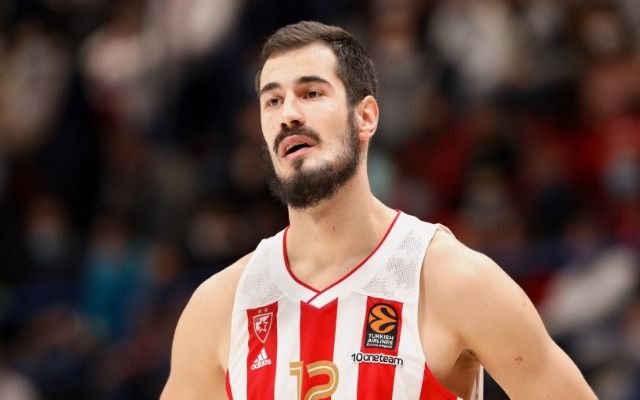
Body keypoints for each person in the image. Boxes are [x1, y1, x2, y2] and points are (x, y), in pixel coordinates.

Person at [160, 21, 596, 399]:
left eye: (311, 93)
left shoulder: (453, 280)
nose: (288, 114)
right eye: (272, 101)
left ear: (365, 117)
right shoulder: (219, 307)